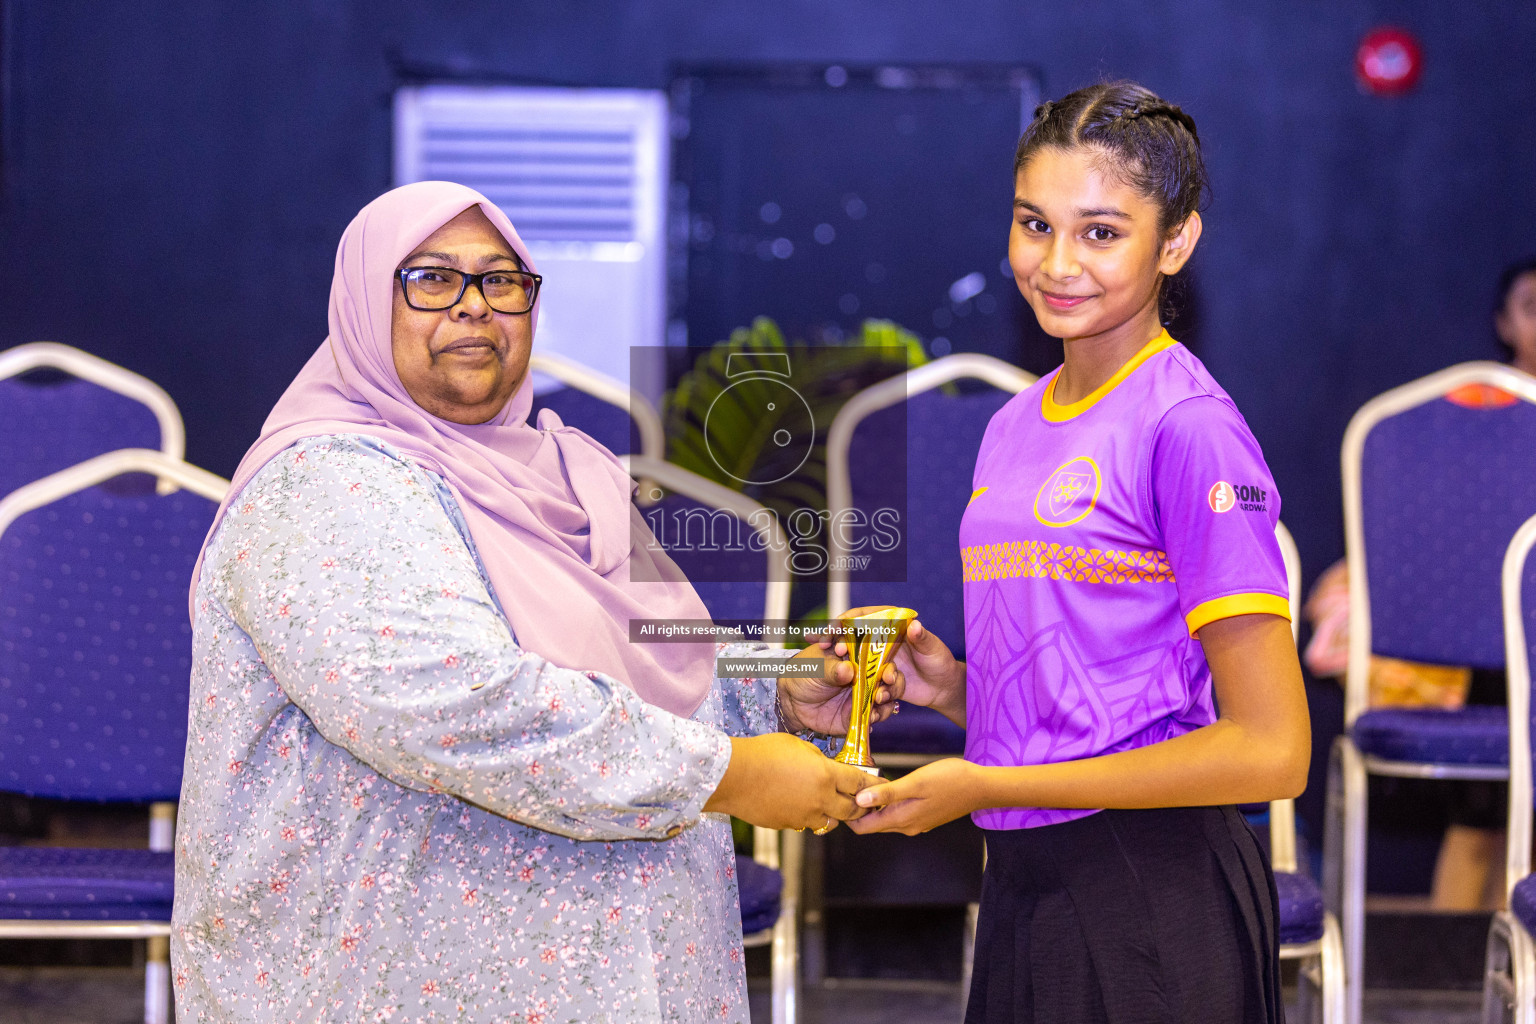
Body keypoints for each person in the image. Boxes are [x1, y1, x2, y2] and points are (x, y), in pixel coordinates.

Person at [170, 181, 896, 1023]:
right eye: (432, 279)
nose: (474, 308)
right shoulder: (327, 484)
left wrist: (776, 691)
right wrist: (725, 774)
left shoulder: (563, 473)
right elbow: (451, 702)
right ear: (368, 304)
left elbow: (646, 665)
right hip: (391, 981)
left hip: (620, 971)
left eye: (502, 281)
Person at [847, 82, 1309, 1024]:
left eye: (1101, 232)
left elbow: (1272, 750)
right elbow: (1095, 705)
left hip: (1156, 895)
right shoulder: (1016, 420)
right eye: (1033, 224)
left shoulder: (1188, 428)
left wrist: (991, 783)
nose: (1057, 264)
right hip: (1026, 880)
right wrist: (952, 691)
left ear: (1174, 241)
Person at [1300, 255, 1536, 912]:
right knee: (1483, 820)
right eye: (1531, 306)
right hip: (1482, 652)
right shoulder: (1461, 424)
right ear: (1503, 322)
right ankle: (1457, 969)